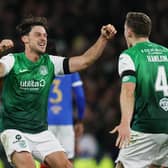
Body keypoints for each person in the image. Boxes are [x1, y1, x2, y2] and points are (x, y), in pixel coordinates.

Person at [0, 16, 116, 168]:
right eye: (38, 34)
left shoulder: (51, 63)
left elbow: (85, 61)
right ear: (25, 39)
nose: (43, 38)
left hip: (41, 132)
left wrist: (103, 38)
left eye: (45, 36)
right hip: (14, 129)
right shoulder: (12, 60)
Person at [110, 12, 168, 168]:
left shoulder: (129, 56)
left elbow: (129, 90)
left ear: (128, 31)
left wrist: (124, 123)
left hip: (146, 126)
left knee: (122, 165)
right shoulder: (166, 52)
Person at [40, 72, 86, 168]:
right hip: (66, 122)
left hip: (46, 122)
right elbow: (80, 96)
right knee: (67, 161)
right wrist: (80, 120)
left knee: (46, 159)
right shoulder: (71, 70)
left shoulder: (43, 68)